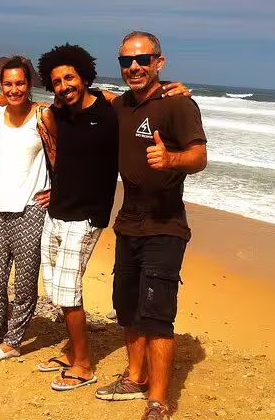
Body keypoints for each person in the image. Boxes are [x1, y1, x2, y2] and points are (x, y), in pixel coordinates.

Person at [95, 32, 207, 420]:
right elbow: (77, 96)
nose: (135, 67)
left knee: (157, 315)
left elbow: (199, 156)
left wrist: (172, 159)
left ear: (160, 62)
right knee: (126, 309)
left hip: (165, 225)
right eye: (127, 62)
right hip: (127, 224)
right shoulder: (121, 105)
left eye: (143, 60)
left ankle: (158, 401)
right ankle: (135, 377)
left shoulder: (178, 105)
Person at [34, 44, 120, 390]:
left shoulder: (111, 109)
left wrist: (178, 92)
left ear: (84, 76)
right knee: (55, 289)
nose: (64, 85)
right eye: (56, 81)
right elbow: (61, 154)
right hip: (57, 210)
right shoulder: (60, 112)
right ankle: (73, 351)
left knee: (68, 291)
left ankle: (84, 365)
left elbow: (148, 107)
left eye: (69, 77)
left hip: (86, 215)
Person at [0, 57, 56, 362]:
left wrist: (57, 190)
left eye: (20, 83)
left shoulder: (44, 116)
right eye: (9, 84)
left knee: (24, 280)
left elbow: (64, 153)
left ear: (29, 85)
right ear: (2, 86)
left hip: (30, 208)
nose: (14, 89)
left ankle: (14, 340)